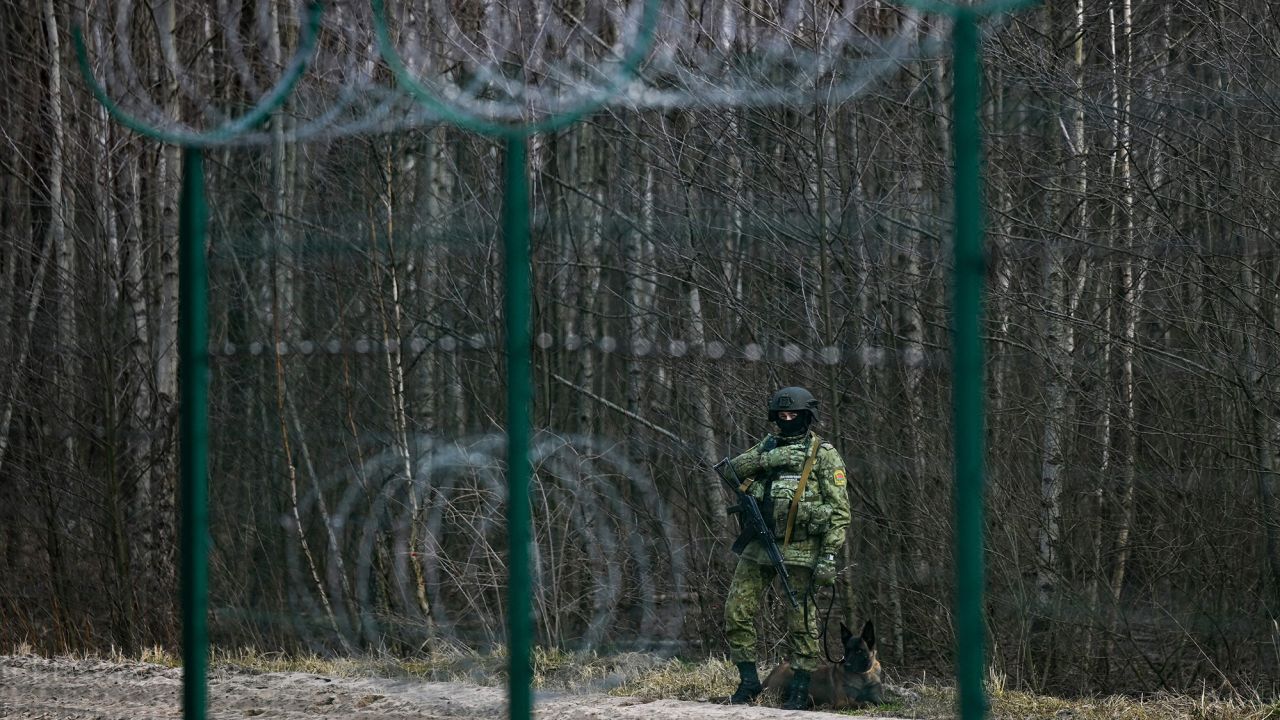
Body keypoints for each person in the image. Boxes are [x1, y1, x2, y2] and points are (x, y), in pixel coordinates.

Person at [721, 386, 851, 710]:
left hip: (803, 550)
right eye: (782, 415)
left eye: (793, 414)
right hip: (759, 546)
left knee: (801, 618)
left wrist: (829, 557)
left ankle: (801, 685)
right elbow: (729, 469)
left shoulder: (823, 454)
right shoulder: (768, 446)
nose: (787, 419)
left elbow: (840, 512)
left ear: (807, 416)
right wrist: (768, 459)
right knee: (736, 611)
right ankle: (749, 682)